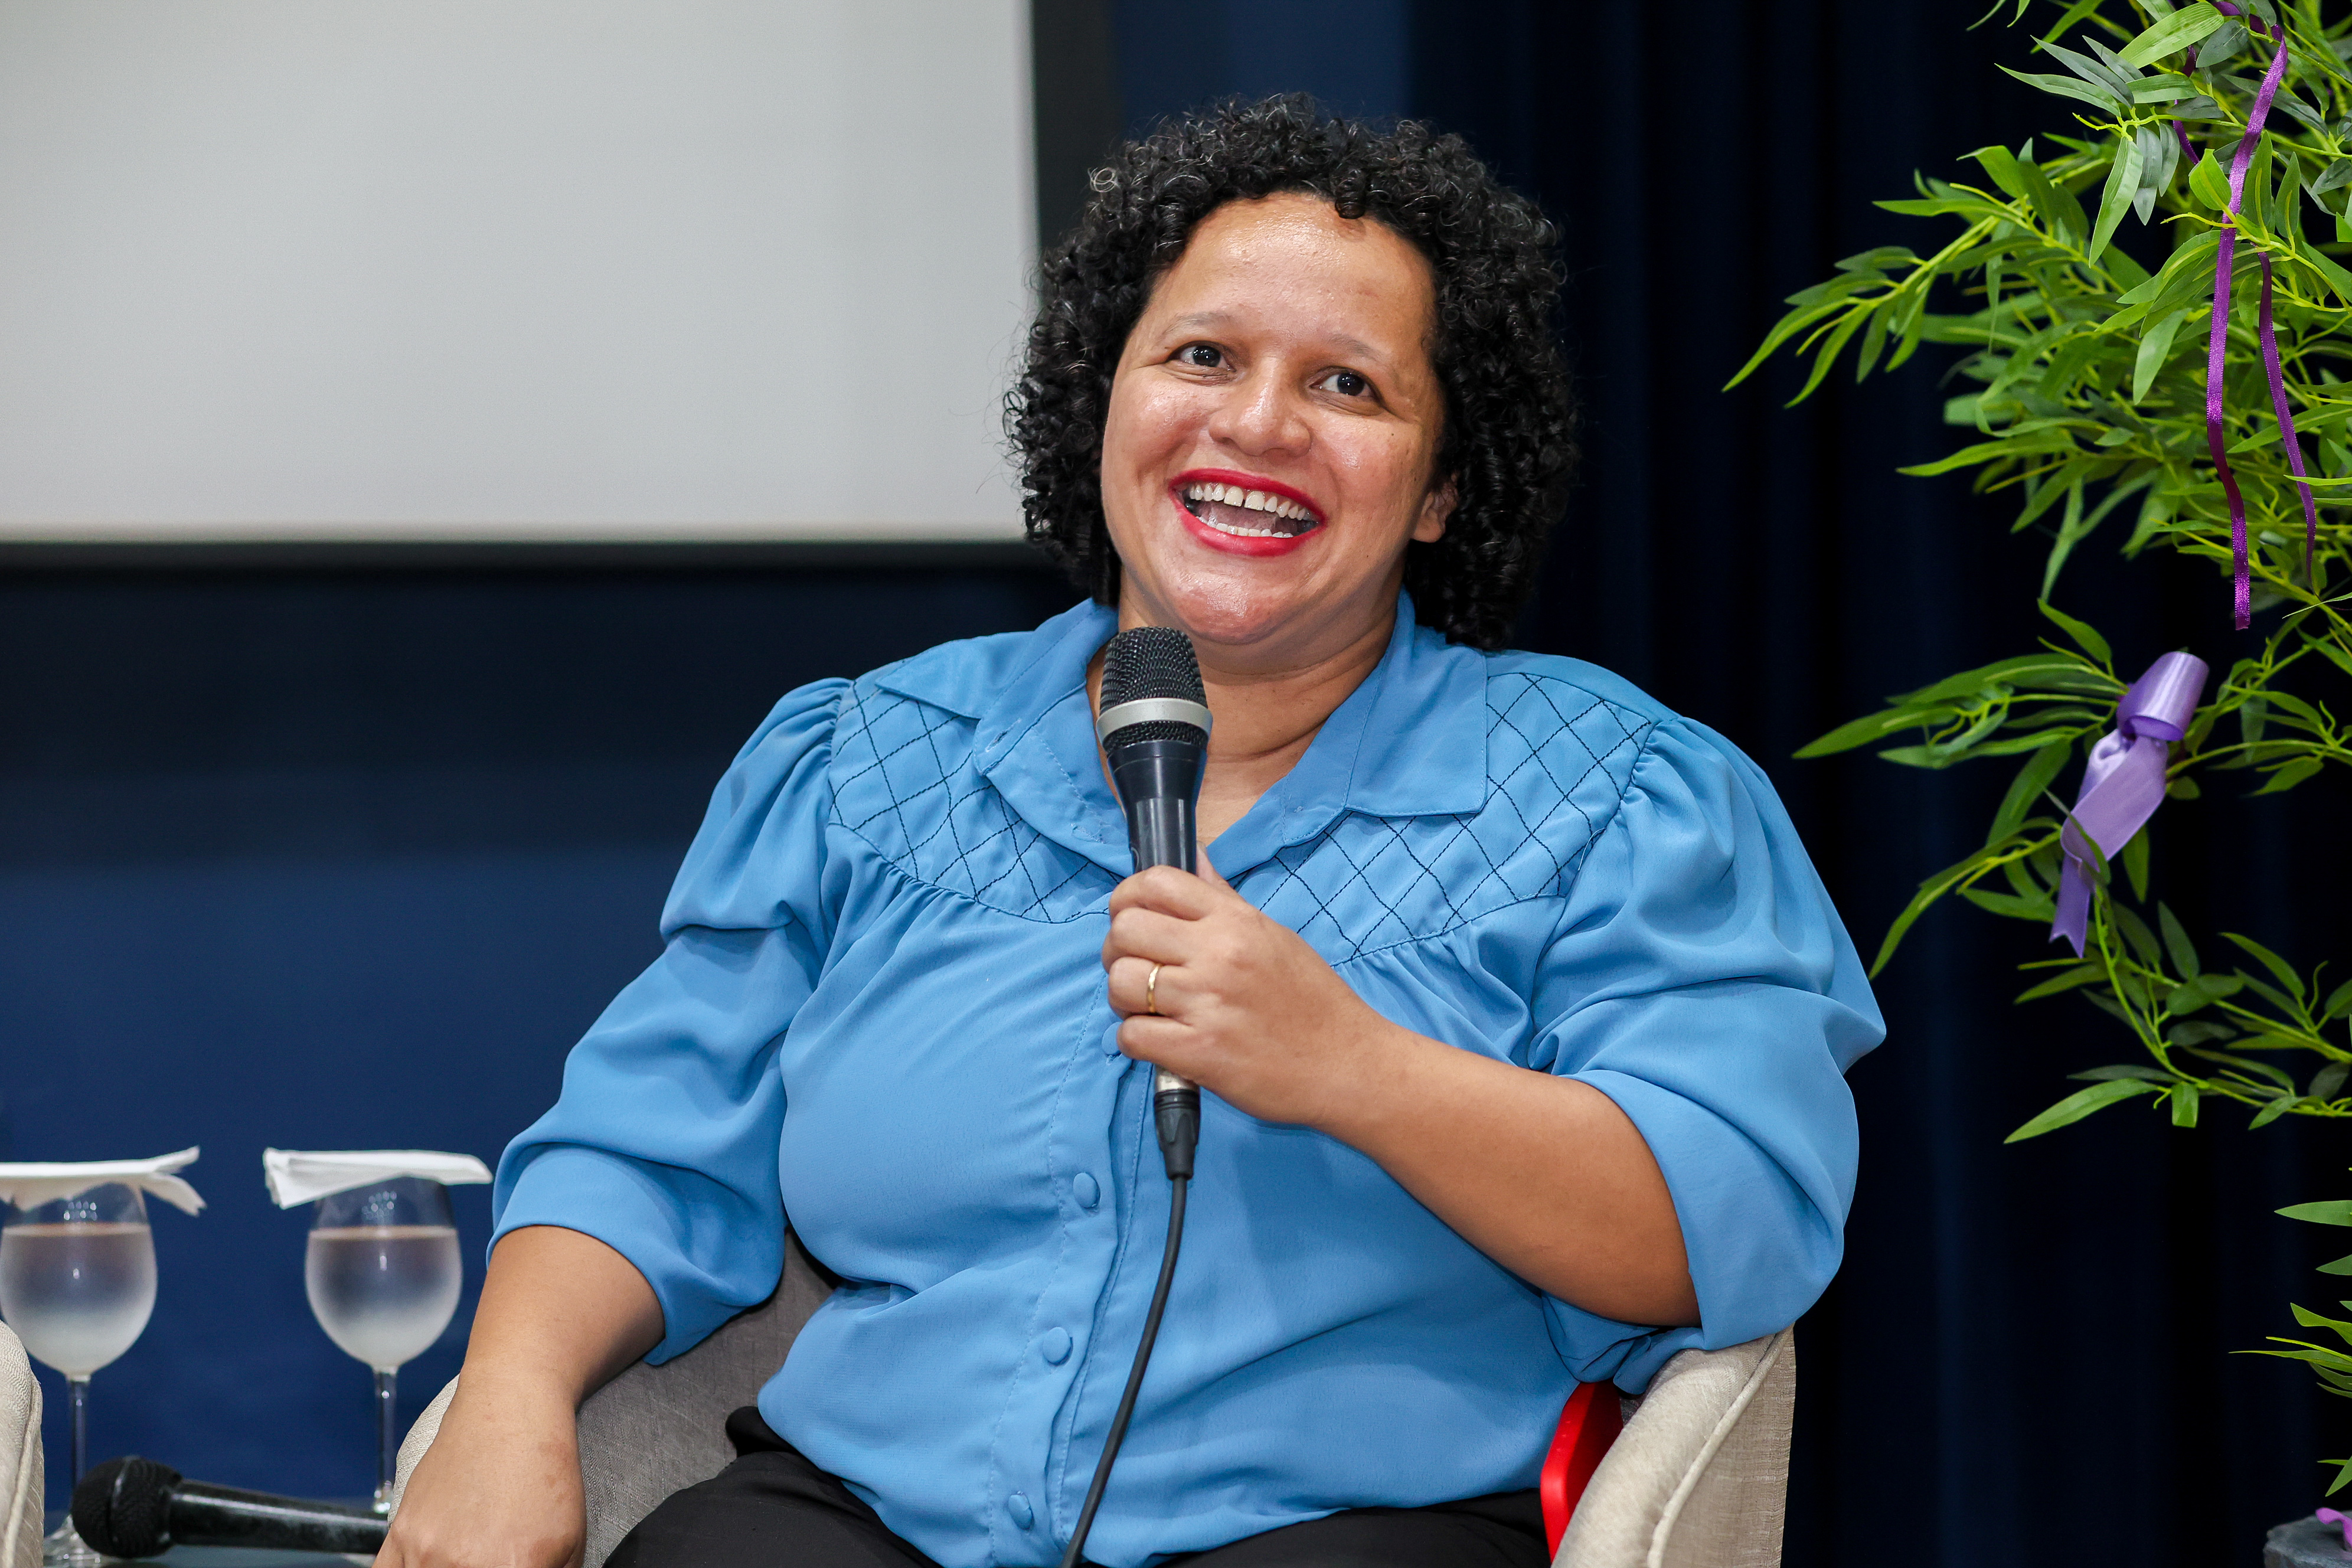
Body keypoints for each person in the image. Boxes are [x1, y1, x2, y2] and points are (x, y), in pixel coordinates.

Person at [381, 96, 1882, 1568]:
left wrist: (1355, 1068)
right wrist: (507, 1396)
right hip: (863, 1514)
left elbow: (1732, 1220)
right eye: (1202, 355)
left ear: (1441, 489)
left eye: (1349, 385)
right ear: (1104, 399)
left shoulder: (1614, 795)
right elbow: (646, 1144)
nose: (1258, 422)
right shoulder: (870, 760)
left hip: (1346, 1532)